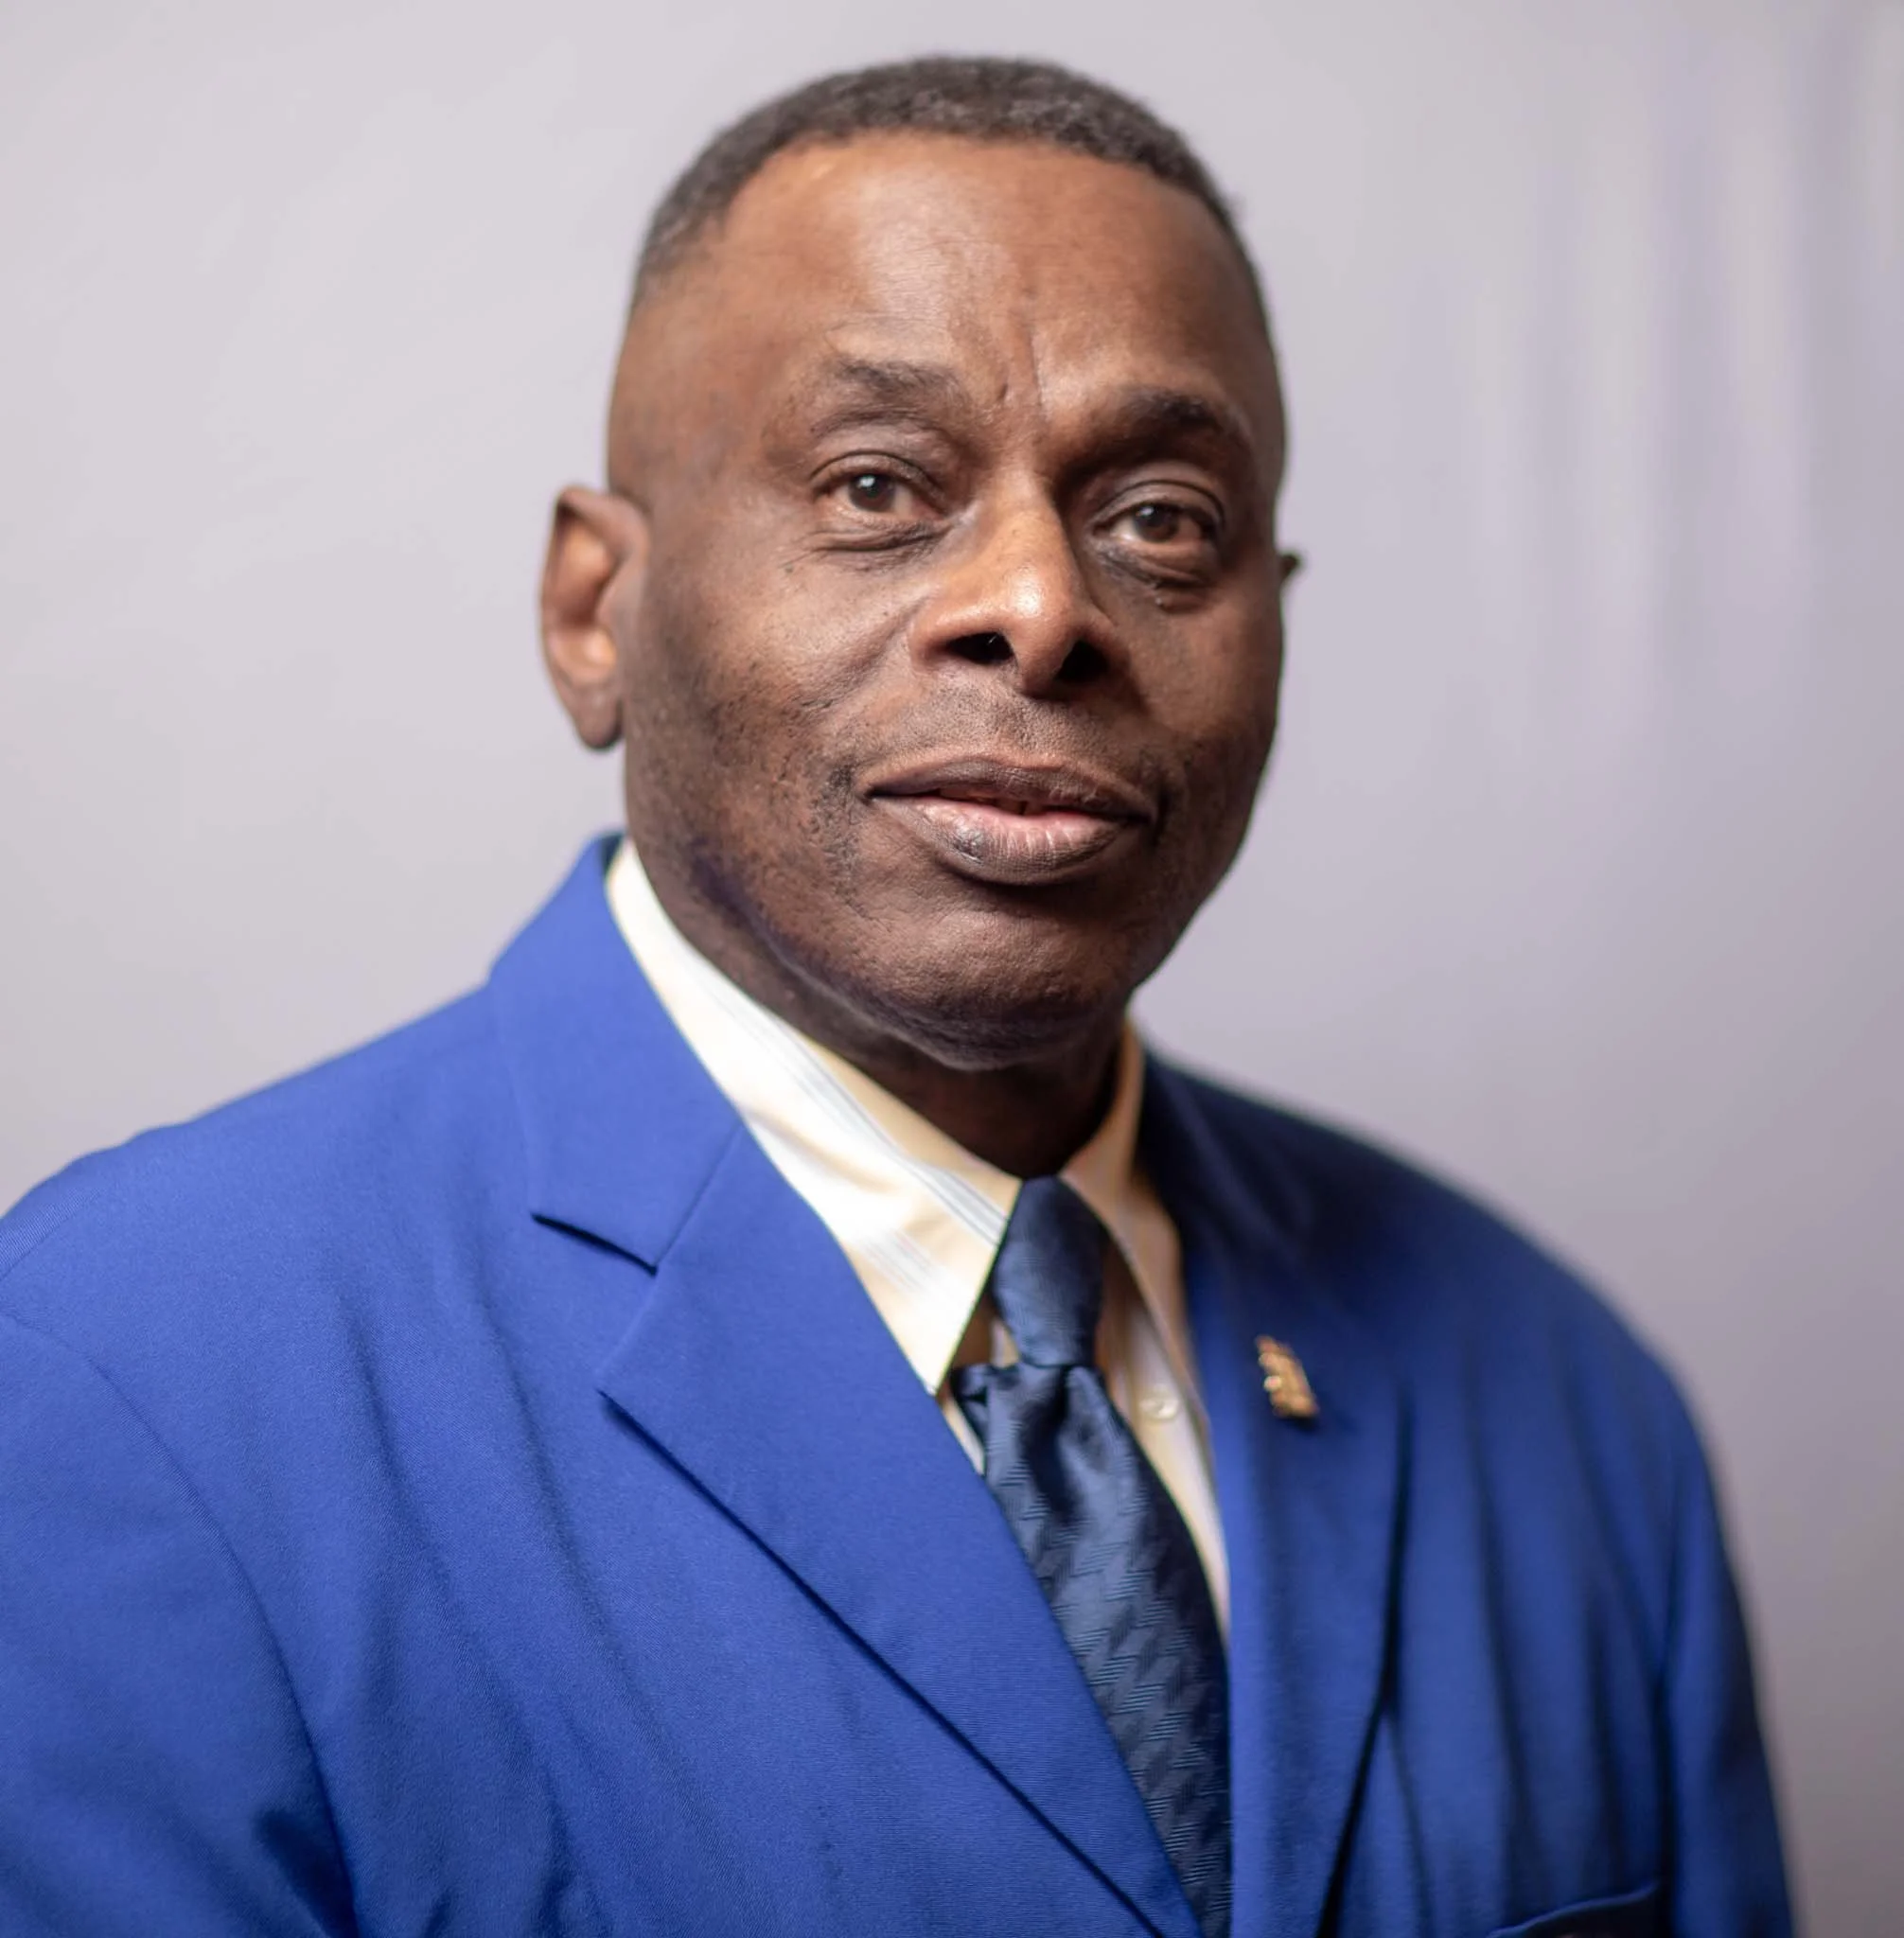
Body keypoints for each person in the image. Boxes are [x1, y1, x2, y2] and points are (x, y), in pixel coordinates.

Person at [0, 56, 1789, 1938]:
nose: (1039, 604)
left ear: (1274, 612)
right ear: (594, 611)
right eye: (876, 485)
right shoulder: (133, 1373)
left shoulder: (1555, 1387)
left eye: (1165, 518)